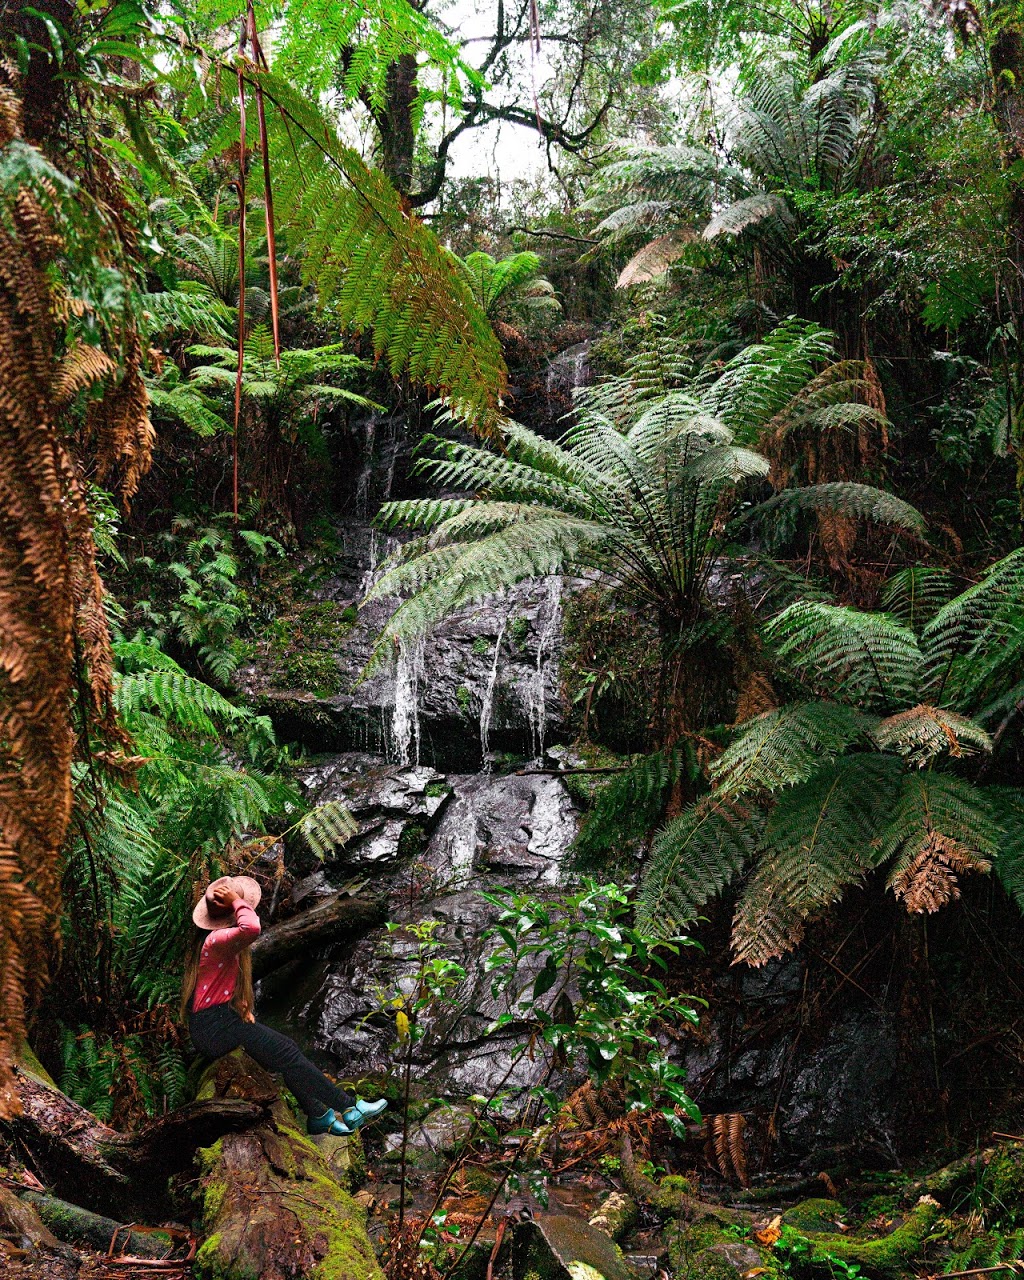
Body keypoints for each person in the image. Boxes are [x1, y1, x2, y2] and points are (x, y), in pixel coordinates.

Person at [182, 874, 387, 1137]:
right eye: (238, 904)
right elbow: (252, 929)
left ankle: (318, 1114)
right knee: (287, 1053)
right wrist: (236, 901)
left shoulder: (219, 943)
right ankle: (349, 1108)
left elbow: (218, 983)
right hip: (215, 1027)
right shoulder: (215, 940)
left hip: (217, 1023)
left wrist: (240, 1003)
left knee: (286, 1051)